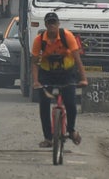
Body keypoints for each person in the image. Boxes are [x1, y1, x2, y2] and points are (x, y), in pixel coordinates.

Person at [31, 12, 87, 149]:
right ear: (45, 25)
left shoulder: (67, 36)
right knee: (43, 103)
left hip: (67, 73)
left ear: (58, 24)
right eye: (49, 23)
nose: (51, 26)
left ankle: (71, 130)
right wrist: (36, 81)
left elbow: (77, 59)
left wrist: (83, 79)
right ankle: (48, 138)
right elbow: (34, 63)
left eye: (54, 23)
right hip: (47, 74)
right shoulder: (39, 40)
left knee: (71, 103)